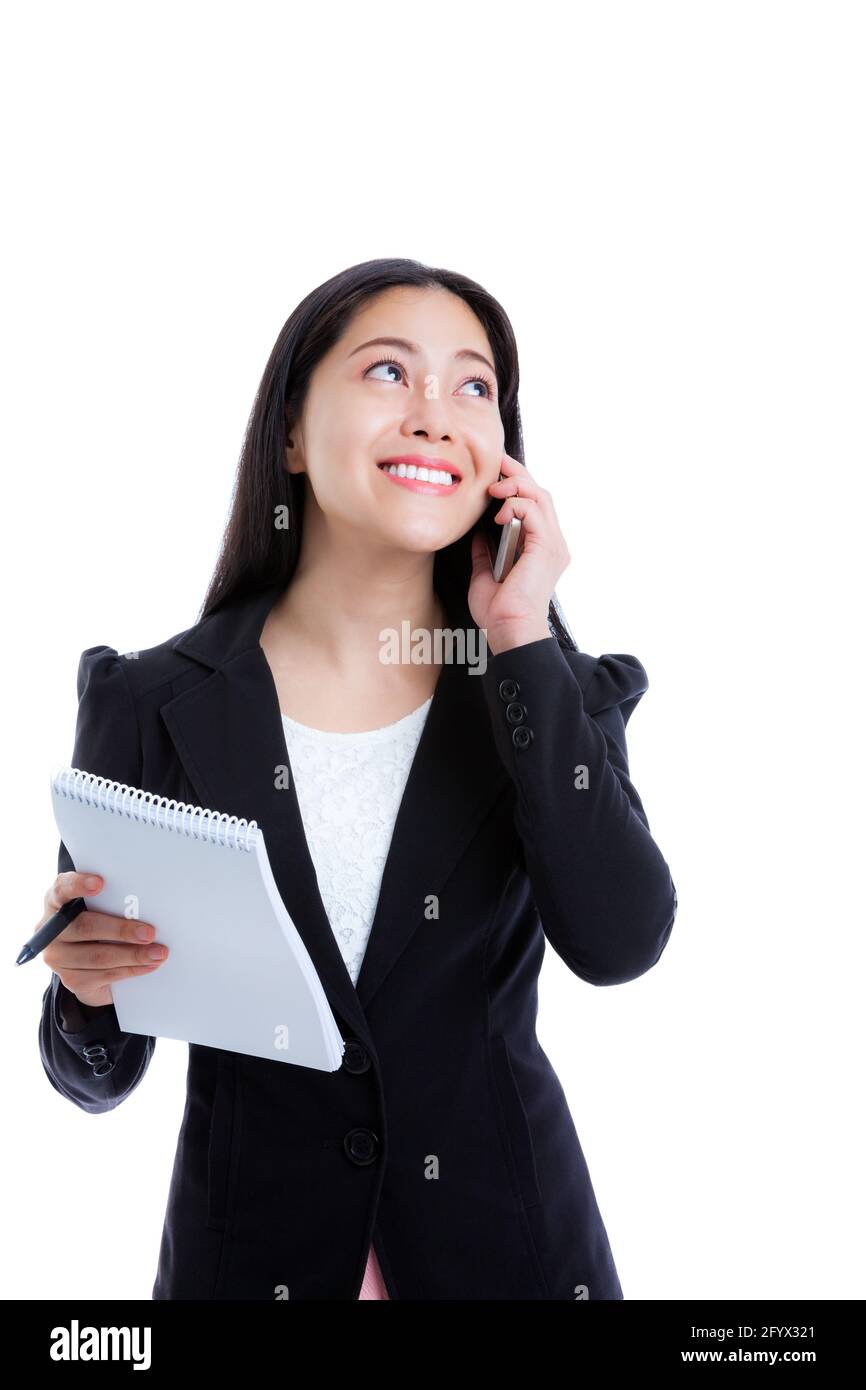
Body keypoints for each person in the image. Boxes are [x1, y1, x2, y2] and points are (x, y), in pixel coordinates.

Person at [37, 257, 678, 1299]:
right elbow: (92, 1074)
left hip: (509, 1262)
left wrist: (516, 633)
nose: (436, 414)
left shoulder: (548, 691)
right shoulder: (151, 702)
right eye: (389, 372)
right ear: (290, 433)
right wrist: (85, 996)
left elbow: (619, 942)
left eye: (473, 387)